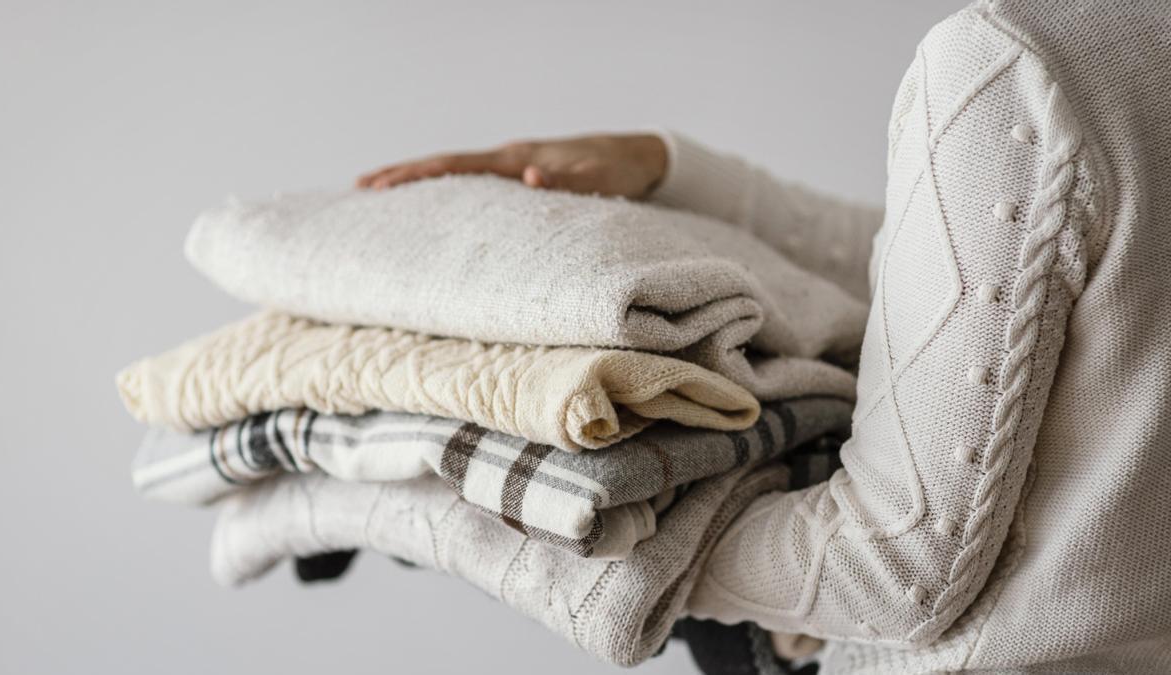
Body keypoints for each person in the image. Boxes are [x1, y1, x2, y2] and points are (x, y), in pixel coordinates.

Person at [355, 1, 1171, 672]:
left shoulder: (1019, 61)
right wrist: (671, 169)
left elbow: (892, 567)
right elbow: (1037, 270)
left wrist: (471, 508)